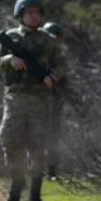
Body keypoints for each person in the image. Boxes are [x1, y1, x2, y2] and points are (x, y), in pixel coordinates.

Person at [0, 0, 66, 201]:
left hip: (41, 98)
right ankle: (17, 178)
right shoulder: (10, 38)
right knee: (9, 138)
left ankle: (35, 194)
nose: (34, 16)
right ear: (21, 15)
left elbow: (63, 65)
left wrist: (53, 76)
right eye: (29, 12)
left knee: (37, 146)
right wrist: (9, 60)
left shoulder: (48, 41)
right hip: (15, 97)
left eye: (37, 13)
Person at [41, 21, 67, 181]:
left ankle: (51, 171)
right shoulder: (38, 56)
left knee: (52, 137)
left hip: (53, 102)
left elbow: (64, 78)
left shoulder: (60, 59)